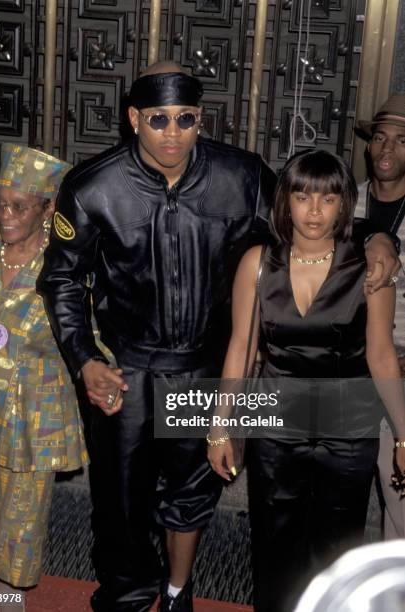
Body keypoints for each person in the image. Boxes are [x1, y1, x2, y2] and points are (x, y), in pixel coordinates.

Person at [36, 60, 399, 612]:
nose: (174, 133)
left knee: (192, 492)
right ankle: (128, 599)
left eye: (187, 119)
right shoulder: (93, 186)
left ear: (200, 119)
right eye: (159, 120)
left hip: (208, 366)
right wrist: (84, 357)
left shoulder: (242, 176)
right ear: (135, 118)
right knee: (122, 502)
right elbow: (61, 278)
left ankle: (178, 592)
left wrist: (378, 239)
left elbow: (310, 216)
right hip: (128, 373)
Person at [208, 150, 405, 612]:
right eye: (302, 196)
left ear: (344, 205)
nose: (315, 211)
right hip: (277, 427)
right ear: (286, 202)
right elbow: (241, 347)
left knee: (335, 548)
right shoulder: (258, 263)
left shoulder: (369, 271)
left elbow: (380, 357)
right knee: (274, 545)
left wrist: (403, 435)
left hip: (347, 430)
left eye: (329, 199)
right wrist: (219, 426)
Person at [0, 144, 88, 611]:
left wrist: (104, 376)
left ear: (48, 208)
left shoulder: (65, 266)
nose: (5, 215)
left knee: (16, 539)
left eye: (19, 206)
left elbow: (92, 340)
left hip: (29, 425)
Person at [354, 93, 405, 539]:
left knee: (401, 499)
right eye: (381, 139)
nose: (388, 149)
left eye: (402, 140)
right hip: (344, 372)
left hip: (399, 370)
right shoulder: (339, 205)